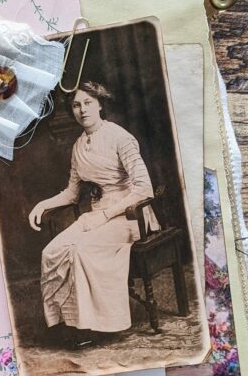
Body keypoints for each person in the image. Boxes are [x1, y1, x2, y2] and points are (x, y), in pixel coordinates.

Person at [28, 82, 158, 346]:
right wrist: (42, 205)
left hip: (130, 215)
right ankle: (67, 322)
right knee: (51, 251)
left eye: (88, 102)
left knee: (81, 251)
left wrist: (106, 214)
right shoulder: (78, 147)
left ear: (100, 104)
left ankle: (93, 326)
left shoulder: (120, 138)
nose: (82, 109)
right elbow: (72, 193)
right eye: (76, 105)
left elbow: (144, 189)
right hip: (97, 216)